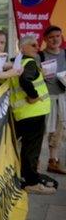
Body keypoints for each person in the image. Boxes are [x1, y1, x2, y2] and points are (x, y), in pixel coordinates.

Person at [10, 36, 55, 194]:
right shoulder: (28, 62)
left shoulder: (18, 62)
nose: (37, 47)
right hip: (33, 113)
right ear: (22, 48)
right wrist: (33, 95)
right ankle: (31, 182)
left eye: (37, 45)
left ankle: (25, 176)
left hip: (24, 114)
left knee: (27, 149)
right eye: (33, 45)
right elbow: (25, 79)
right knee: (32, 150)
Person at [39, 25, 66, 174]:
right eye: (51, 37)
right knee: (42, 131)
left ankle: (53, 161)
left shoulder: (65, 53)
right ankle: (34, 163)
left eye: (58, 36)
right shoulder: (40, 56)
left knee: (59, 131)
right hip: (46, 98)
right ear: (45, 40)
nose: (55, 39)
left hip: (62, 98)